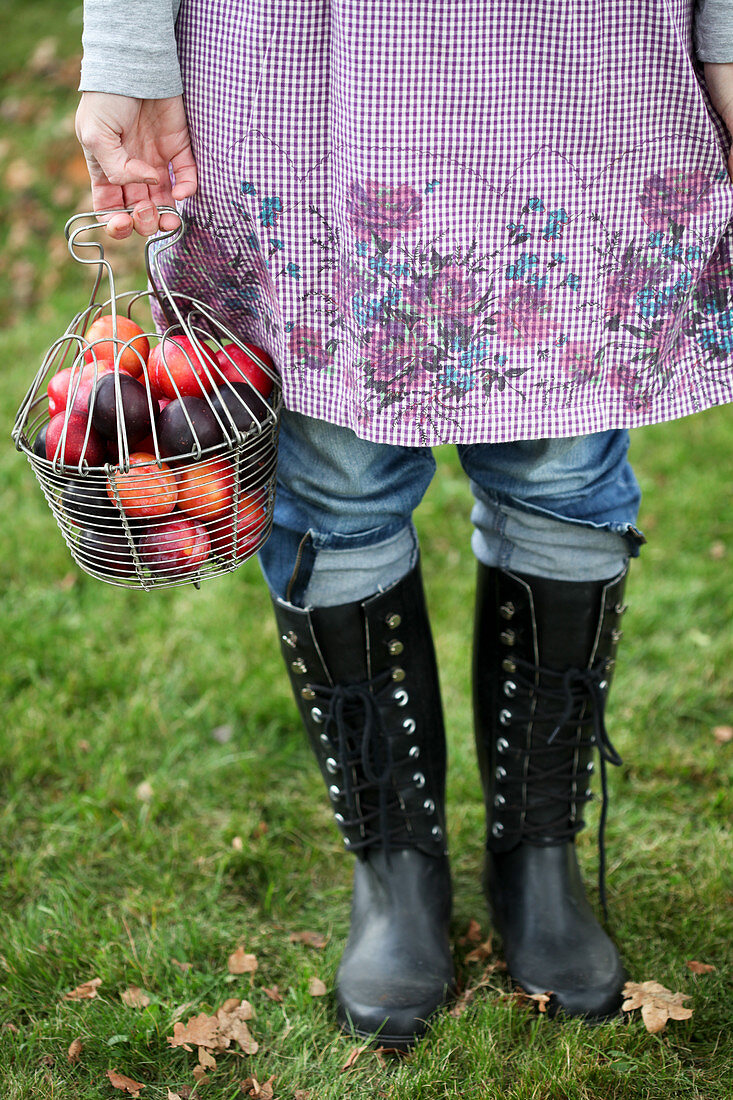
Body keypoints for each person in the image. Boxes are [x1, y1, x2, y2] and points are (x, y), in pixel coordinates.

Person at [76, 0, 733, 1049]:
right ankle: (395, 861)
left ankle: (537, 852)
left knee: (562, 469)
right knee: (334, 480)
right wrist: (123, 50)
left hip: (575, 56)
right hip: (305, 60)